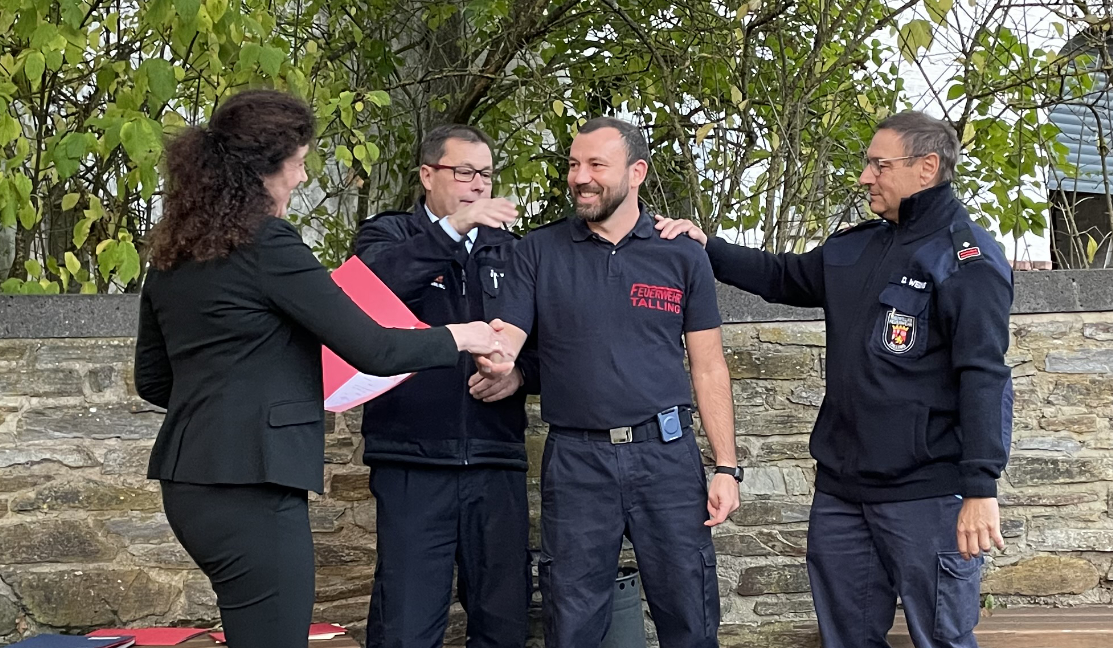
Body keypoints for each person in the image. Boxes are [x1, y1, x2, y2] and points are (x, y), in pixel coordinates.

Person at [133, 90, 506, 648]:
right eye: (300, 163)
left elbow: (153, 378)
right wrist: (463, 335)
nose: (304, 177)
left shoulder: (176, 249)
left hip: (187, 486)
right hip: (253, 483)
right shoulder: (268, 244)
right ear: (266, 169)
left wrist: (230, 406)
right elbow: (375, 350)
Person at [655, 110, 1012, 648]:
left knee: (942, 640)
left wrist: (981, 487)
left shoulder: (966, 260)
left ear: (926, 167)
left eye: (879, 165)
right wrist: (707, 246)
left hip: (927, 496)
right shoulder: (857, 247)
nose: (866, 177)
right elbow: (781, 276)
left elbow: (984, 375)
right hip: (842, 496)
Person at [481, 117, 741, 648]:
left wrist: (726, 467)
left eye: (597, 165)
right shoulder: (538, 250)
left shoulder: (681, 253)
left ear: (636, 172)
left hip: (667, 459)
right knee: (571, 625)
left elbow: (709, 366)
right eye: (574, 165)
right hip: (577, 463)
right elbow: (507, 336)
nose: (581, 177)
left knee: (690, 619)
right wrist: (494, 356)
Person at [350, 124, 535, 648]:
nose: (479, 185)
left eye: (487, 175)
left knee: (504, 624)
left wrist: (522, 375)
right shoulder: (387, 236)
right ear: (428, 175)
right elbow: (365, 297)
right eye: (465, 172)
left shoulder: (513, 251)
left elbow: (553, 341)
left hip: (496, 459)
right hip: (412, 458)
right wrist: (452, 230)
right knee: (406, 626)